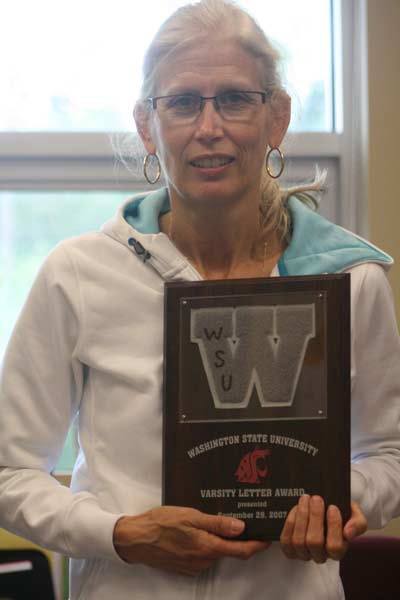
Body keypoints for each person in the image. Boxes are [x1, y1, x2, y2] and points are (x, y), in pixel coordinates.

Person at [0, 1, 399, 598]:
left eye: (235, 99)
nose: (209, 127)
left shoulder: (349, 278)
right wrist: (120, 533)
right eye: (183, 102)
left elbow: (389, 454)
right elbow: (9, 472)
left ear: (277, 118)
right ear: (147, 125)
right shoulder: (77, 274)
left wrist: (339, 499)